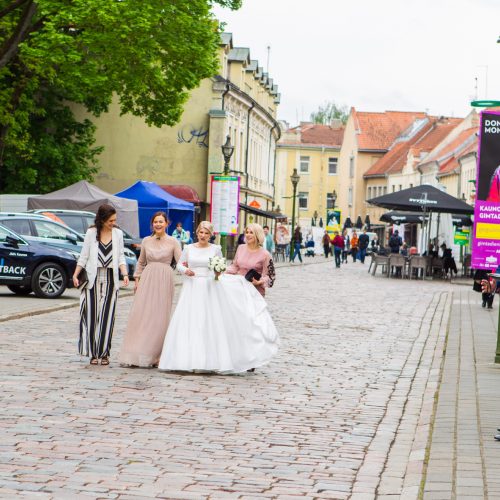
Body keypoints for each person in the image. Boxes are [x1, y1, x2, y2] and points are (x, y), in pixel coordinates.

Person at [158, 221, 279, 373]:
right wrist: (220, 270)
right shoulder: (240, 248)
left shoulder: (265, 254)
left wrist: (259, 281)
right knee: (235, 323)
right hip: (237, 287)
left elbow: (270, 276)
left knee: (252, 324)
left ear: (258, 235)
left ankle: (253, 355)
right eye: (246, 232)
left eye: (251, 232)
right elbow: (234, 266)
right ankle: (241, 355)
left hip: (254, 291)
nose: (248, 235)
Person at [118, 212, 182, 367]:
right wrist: (137, 280)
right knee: (143, 314)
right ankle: (139, 350)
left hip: (165, 278)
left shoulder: (174, 242)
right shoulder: (146, 240)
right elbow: (141, 262)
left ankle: (157, 354)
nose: (158, 224)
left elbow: (181, 262)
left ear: (167, 224)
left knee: (160, 316)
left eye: (161, 222)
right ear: (152, 224)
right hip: (148, 277)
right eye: (155, 222)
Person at [73, 204, 129, 366]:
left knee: (107, 316)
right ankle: (93, 353)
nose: (113, 222)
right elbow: (83, 256)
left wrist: (125, 274)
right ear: (103, 219)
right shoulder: (91, 233)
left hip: (111, 279)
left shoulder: (118, 234)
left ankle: (104, 353)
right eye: (111, 220)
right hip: (92, 279)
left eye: (115, 220)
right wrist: (76, 274)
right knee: (91, 317)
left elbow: (121, 256)